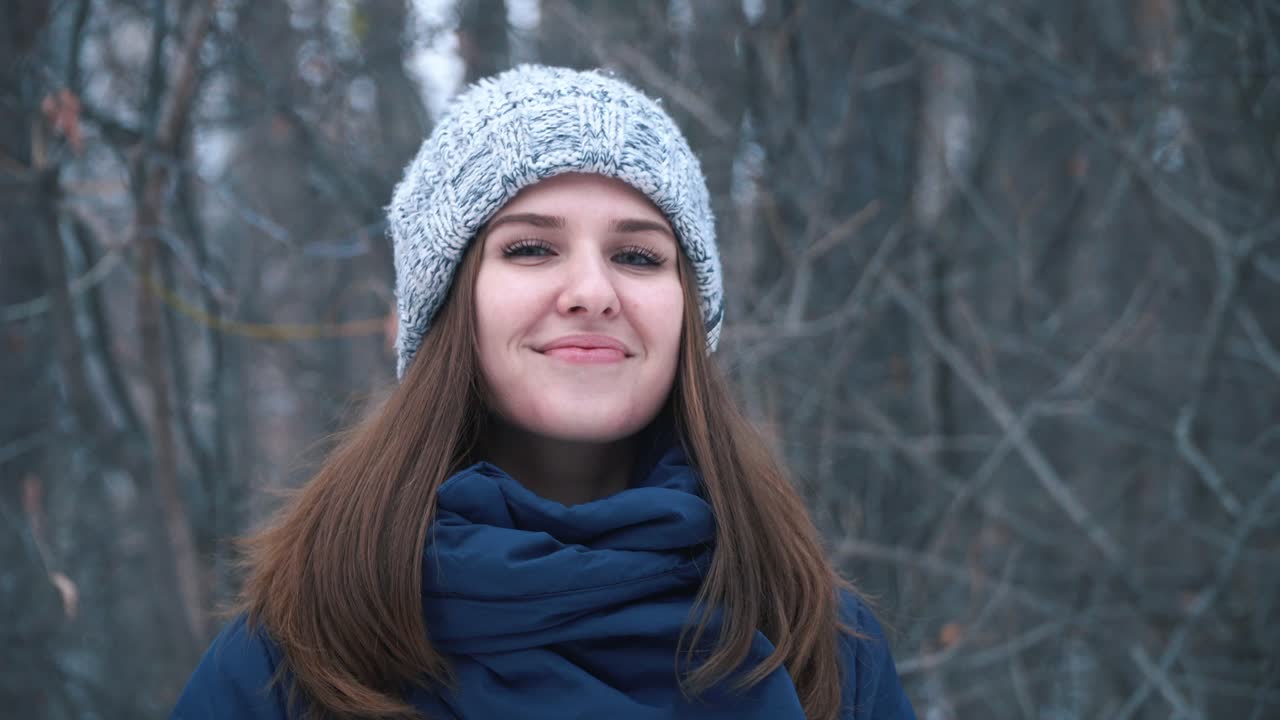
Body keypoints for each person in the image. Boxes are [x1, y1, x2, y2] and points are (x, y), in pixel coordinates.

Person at [172, 65, 915, 720]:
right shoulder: (299, 650)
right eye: (531, 248)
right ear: (448, 305)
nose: (591, 292)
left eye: (636, 254)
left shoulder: (819, 641)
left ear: (689, 314)